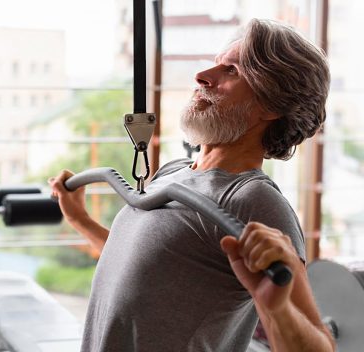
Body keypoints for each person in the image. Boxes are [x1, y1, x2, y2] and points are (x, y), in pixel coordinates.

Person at [49, 19, 334, 351]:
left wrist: (278, 308)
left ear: (271, 105)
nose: (203, 76)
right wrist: (80, 221)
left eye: (232, 71)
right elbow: (146, 269)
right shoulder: (175, 171)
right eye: (216, 63)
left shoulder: (252, 200)